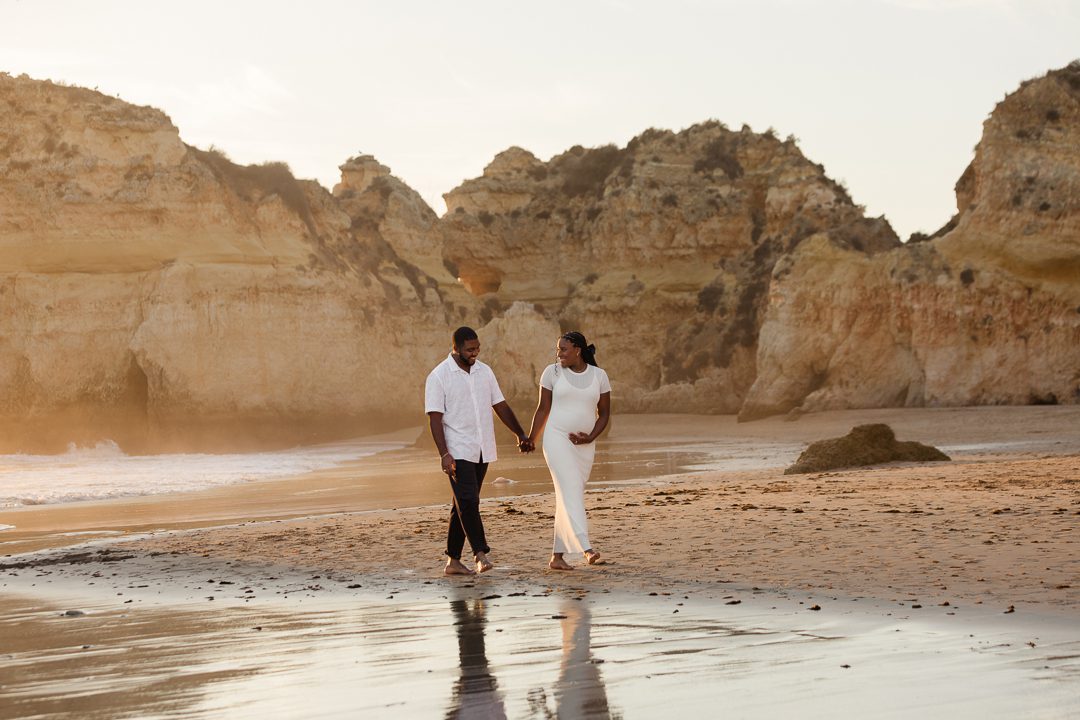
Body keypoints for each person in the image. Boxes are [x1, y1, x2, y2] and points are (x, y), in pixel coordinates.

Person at [426, 326, 532, 576]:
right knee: (469, 501)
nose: (475, 353)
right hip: (457, 450)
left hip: (482, 448)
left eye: (477, 348)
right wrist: (444, 454)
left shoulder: (484, 371)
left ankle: (452, 561)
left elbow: (501, 406)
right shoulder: (439, 376)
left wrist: (520, 432)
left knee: (462, 504)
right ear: (456, 348)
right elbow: (434, 418)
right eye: (469, 349)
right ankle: (480, 553)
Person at [526, 331, 611, 570]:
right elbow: (543, 409)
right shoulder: (551, 372)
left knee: (569, 494)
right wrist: (531, 438)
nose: (559, 354)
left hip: (585, 446)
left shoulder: (599, 376)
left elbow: (604, 414)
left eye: (563, 349)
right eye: (557, 350)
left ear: (578, 350)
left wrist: (591, 437)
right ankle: (587, 548)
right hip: (556, 439)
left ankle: (557, 557)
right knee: (571, 489)